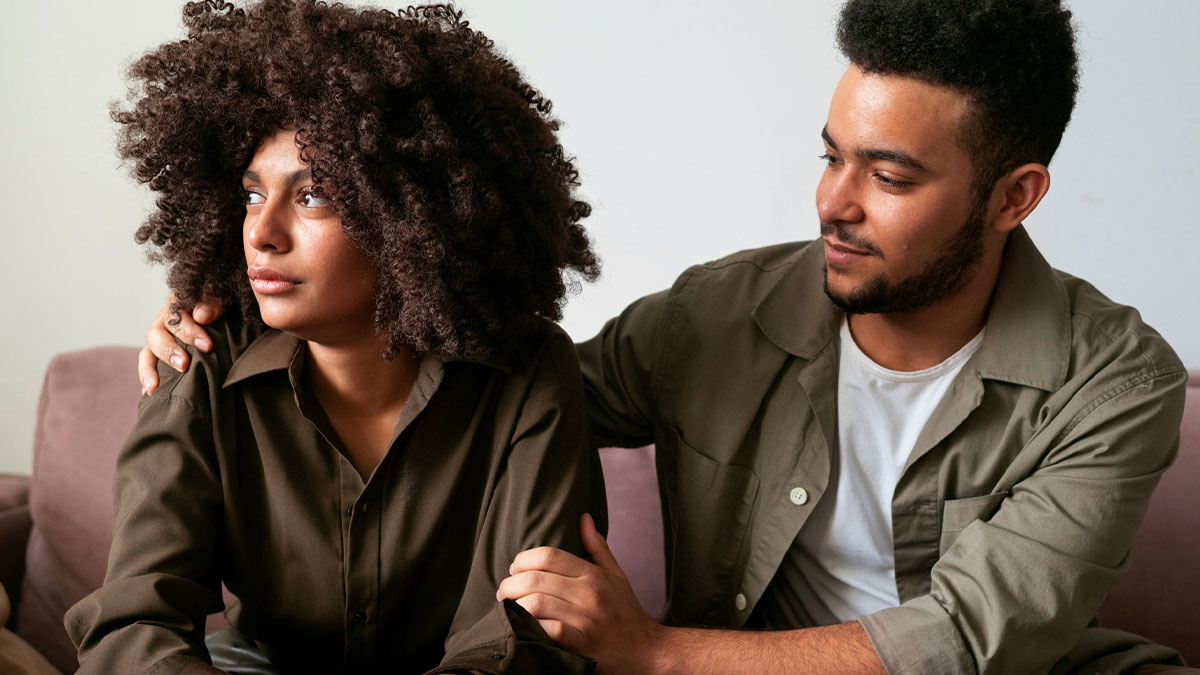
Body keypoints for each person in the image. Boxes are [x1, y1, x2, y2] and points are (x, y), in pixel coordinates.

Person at [143, 0, 1192, 673]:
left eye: (889, 176)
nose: (833, 203)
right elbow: (495, 387)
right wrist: (247, 321)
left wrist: (658, 653)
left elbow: (970, 635)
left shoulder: (1115, 381)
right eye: (831, 156)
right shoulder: (717, 315)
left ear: (1013, 196)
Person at [67, 1, 606, 673]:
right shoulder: (201, 355)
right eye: (251, 195)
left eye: (312, 196)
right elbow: (133, 620)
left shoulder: (528, 373)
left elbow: (521, 636)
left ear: (413, 215)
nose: (262, 233)